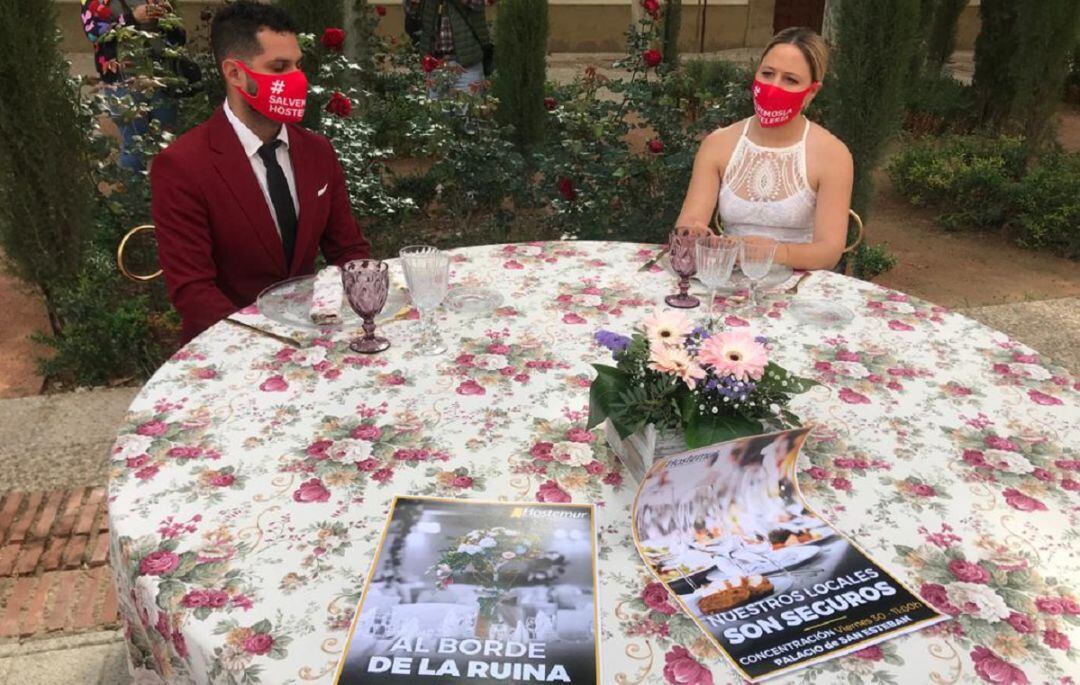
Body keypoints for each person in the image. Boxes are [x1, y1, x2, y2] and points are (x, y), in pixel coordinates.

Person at [151, 1, 371, 343]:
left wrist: (364, 311)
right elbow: (193, 291)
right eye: (279, 67)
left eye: (298, 65)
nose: (296, 79)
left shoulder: (317, 152)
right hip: (227, 348)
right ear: (235, 73)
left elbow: (348, 251)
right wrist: (270, 344)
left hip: (313, 340)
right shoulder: (182, 166)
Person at [675, 27, 853, 271]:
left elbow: (828, 251)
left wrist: (772, 253)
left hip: (798, 288)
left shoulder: (833, 155)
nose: (773, 87)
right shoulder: (718, 144)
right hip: (726, 280)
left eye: (790, 80)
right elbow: (689, 221)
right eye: (768, 74)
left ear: (811, 92)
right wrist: (694, 232)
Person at [81, 0, 185, 170]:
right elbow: (94, 33)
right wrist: (133, 18)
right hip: (123, 81)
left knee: (168, 145)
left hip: (162, 78)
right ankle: (134, 195)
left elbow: (179, 37)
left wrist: (168, 19)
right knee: (134, 147)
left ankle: (166, 195)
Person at [404, 0, 492, 92]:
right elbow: (411, 12)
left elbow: (481, 3)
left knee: (468, 104)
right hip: (434, 63)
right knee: (435, 105)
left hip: (466, 62)